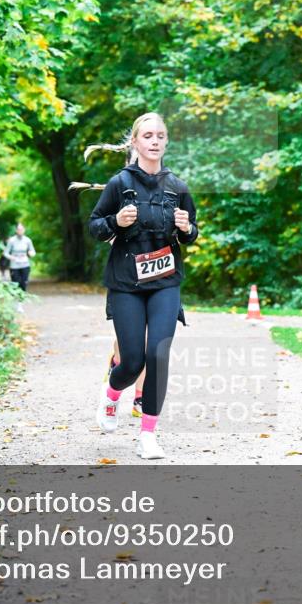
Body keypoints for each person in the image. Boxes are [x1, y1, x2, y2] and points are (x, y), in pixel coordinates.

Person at [87, 112, 198, 459]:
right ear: (135, 142)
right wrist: (116, 221)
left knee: (158, 355)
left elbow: (192, 233)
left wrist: (186, 228)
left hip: (166, 282)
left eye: (160, 135)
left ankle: (148, 435)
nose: (154, 141)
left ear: (165, 142)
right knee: (133, 360)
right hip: (126, 283)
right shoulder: (120, 183)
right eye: (147, 135)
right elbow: (95, 225)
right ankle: (112, 392)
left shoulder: (177, 186)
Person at [5, 223, 36, 293]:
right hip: (14, 265)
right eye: (18, 229)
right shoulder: (11, 240)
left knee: (24, 282)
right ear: (16, 230)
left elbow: (33, 251)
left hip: (25, 264)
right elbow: (5, 253)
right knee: (15, 283)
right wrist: (11, 257)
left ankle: (21, 299)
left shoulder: (27, 240)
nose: (20, 231)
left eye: (21, 229)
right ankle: (17, 298)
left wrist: (31, 253)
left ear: (24, 230)